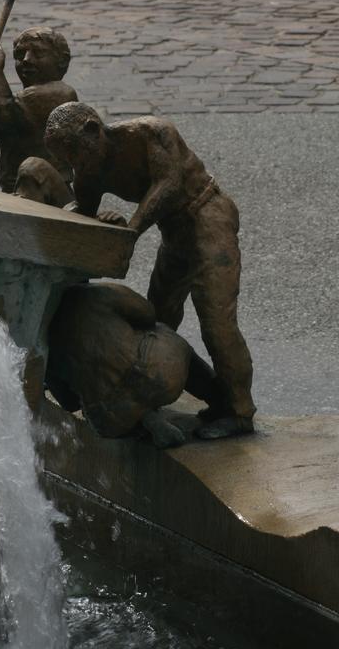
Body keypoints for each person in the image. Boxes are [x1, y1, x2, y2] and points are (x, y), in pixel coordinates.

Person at [44, 102, 256, 435]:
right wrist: (94, 220)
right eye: (65, 157)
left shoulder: (152, 133)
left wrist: (132, 227)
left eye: (74, 150)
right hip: (174, 232)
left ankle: (240, 410)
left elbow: (168, 184)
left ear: (92, 130)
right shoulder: (88, 169)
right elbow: (82, 214)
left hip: (208, 214)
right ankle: (183, 393)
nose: (74, 163)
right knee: (160, 317)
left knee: (217, 322)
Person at [47, 283, 229, 447]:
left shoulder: (43, 338)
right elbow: (147, 313)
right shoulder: (97, 294)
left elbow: (69, 403)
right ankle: (218, 399)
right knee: (161, 332)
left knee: (96, 410)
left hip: (114, 416)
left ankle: (145, 418)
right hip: (158, 370)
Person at [0, 26, 76, 204]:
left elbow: (4, 116)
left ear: (62, 61)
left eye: (38, 53)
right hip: (17, 193)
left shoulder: (59, 94)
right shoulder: (22, 103)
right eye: (20, 54)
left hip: (46, 194)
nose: (26, 60)